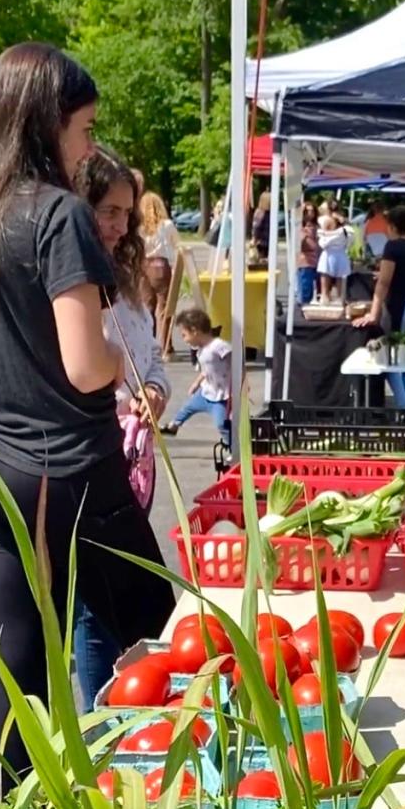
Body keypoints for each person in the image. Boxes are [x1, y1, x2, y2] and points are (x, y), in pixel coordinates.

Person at [0, 42, 175, 787]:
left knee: (19, 655)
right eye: (85, 127)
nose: (90, 143)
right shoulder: (57, 215)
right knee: (160, 631)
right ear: (45, 122)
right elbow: (85, 364)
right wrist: (122, 378)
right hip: (69, 469)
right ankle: (155, 800)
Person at [72, 146, 172, 710]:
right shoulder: (70, 277)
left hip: (135, 460)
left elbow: (152, 360)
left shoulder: (126, 274)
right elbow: (78, 367)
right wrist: (118, 394)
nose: (116, 225)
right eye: (106, 211)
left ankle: (118, 710)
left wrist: (155, 392)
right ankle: (98, 718)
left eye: (124, 214)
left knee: (122, 593)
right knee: (98, 599)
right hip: (94, 456)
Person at [352, 204, 405, 409]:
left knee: (390, 357)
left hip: (401, 305)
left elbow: (384, 283)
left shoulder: (392, 247)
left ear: (392, 226)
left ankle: (404, 407)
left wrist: (373, 313)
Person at [161, 308, 231, 438]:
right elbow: (207, 370)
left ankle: (233, 449)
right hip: (206, 391)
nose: (184, 339)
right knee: (187, 408)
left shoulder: (218, 346)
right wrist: (196, 382)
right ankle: (174, 426)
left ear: (194, 331)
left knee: (222, 423)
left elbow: (235, 360)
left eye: (184, 335)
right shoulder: (201, 349)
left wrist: (241, 380)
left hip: (220, 397)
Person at [139, 190, 179, 330]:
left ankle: (150, 342)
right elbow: (176, 245)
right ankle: (166, 346)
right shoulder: (166, 225)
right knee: (164, 308)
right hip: (161, 265)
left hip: (144, 265)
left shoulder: (140, 227)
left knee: (147, 306)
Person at [317, 212, 354, 304]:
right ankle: (328, 296)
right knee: (328, 276)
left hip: (331, 255)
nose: (328, 227)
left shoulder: (342, 232)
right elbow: (349, 242)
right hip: (336, 255)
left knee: (334, 276)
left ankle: (334, 297)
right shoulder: (344, 232)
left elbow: (322, 244)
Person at [298, 202, 320, 304]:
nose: (310, 213)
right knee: (305, 289)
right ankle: (303, 307)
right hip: (305, 262)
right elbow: (301, 243)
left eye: (312, 211)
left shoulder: (316, 226)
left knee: (314, 290)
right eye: (307, 211)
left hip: (316, 261)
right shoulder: (300, 226)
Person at [251, 190, 271, 262]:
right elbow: (257, 227)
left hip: (261, 241)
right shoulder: (269, 213)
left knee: (262, 260)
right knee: (265, 261)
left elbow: (256, 226)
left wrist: (254, 238)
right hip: (266, 241)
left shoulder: (259, 212)